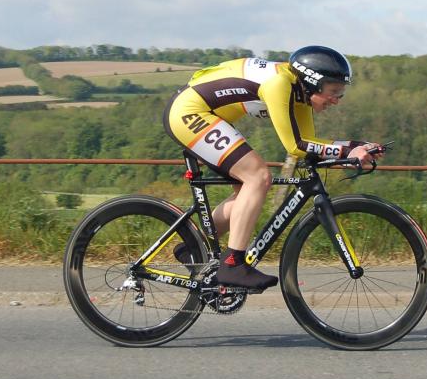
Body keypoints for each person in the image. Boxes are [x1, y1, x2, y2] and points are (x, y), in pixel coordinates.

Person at [163, 45, 382, 291]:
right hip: (189, 113)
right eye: (333, 92)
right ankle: (233, 263)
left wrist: (356, 148)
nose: (336, 101)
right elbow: (296, 145)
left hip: (206, 115)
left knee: (247, 190)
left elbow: (309, 147)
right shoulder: (280, 84)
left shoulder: (299, 92)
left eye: (340, 94)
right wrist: (347, 150)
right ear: (312, 83)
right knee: (258, 177)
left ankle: (192, 246)